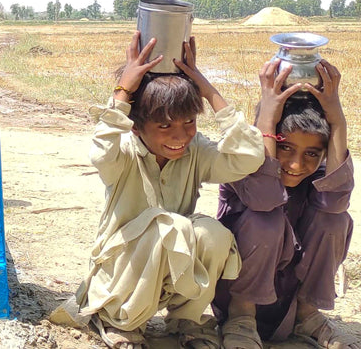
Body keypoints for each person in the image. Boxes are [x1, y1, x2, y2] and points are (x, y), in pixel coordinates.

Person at [54, 32, 265, 349]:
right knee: (171, 225)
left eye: (189, 122)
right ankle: (119, 321)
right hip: (122, 276)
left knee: (213, 235)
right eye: (164, 126)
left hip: (172, 270)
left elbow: (249, 157)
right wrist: (123, 91)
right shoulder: (123, 153)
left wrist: (207, 90)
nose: (180, 136)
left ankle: (185, 319)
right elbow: (100, 152)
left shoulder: (195, 150)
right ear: (136, 126)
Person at [213, 60, 359, 349]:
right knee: (265, 220)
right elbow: (265, 198)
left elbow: (336, 202)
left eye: (311, 153)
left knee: (334, 219)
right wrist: (267, 118)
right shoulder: (241, 165)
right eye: (285, 147)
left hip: (287, 301)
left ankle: (309, 316)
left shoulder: (317, 174)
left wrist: (338, 120)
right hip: (235, 296)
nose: (295, 164)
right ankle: (242, 317)